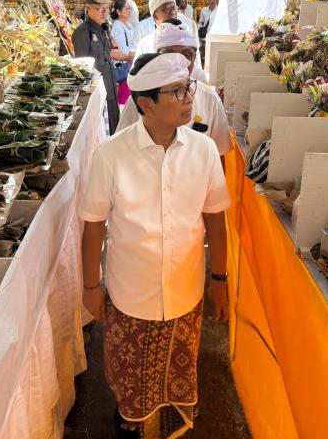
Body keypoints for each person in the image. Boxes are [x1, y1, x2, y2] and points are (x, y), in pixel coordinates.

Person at [79, 52, 230, 439]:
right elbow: (93, 225)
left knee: (179, 374)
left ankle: (168, 426)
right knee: (127, 377)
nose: (189, 98)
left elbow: (215, 219)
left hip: (185, 291)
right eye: (176, 92)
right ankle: (130, 422)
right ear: (146, 104)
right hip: (131, 293)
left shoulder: (203, 150)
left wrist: (219, 279)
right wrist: (91, 286)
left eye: (188, 88)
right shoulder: (112, 154)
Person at [117, 23, 231, 159]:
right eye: (169, 54)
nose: (178, 61)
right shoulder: (139, 100)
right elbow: (121, 146)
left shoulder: (210, 99)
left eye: (186, 54)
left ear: (195, 58)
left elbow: (219, 153)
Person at [72, 0, 120, 135]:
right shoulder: (82, 32)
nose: (104, 11)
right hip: (98, 91)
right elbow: (82, 67)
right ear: (88, 8)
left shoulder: (104, 28)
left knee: (115, 129)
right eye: (99, 8)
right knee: (103, 133)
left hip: (110, 86)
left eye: (107, 7)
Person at [110, 0, 136, 105]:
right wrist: (132, 55)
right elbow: (122, 48)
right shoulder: (117, 26)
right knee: (125, 98)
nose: (129, 11)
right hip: (125, 63)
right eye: (126, 9)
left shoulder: (129, 24)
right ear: (118, 11)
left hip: (131, 61)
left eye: (130, 8)